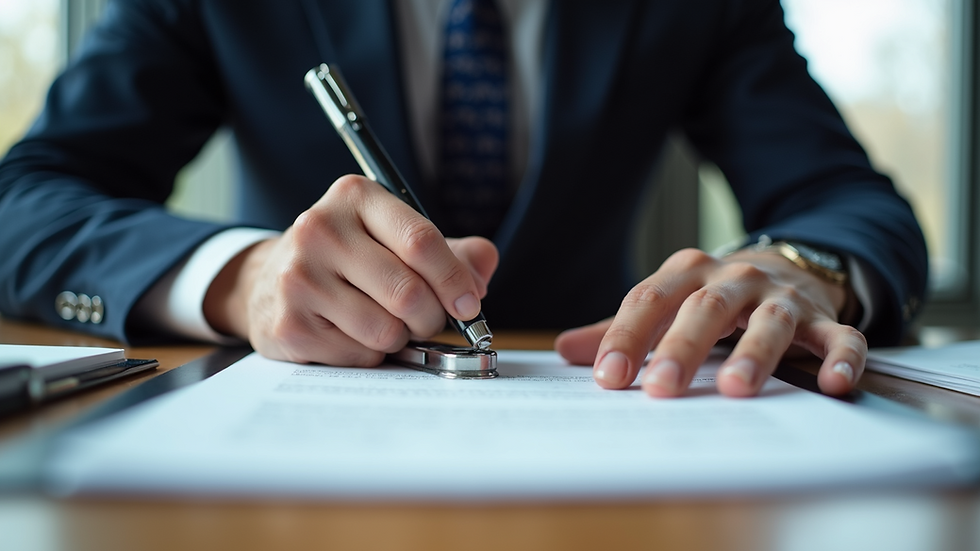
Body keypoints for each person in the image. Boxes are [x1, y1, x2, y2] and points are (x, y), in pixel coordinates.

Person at [0, 0, 927, 399]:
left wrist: (800, 269)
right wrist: (241, 276)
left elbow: (847, 200)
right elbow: (24, 201)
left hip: (604, 444)